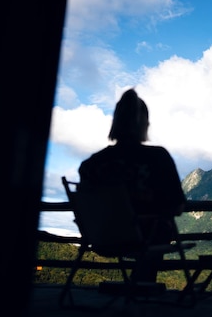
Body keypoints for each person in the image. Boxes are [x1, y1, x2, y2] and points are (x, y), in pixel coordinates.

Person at [79, 88, 186, 283]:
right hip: (145, 237)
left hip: (101, 236)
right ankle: (142, 286)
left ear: (116, 121)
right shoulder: (158, 158)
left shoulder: (90, 165)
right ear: (143, 123)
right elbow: (177, 206)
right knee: (160, 227)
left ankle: (136, 286)